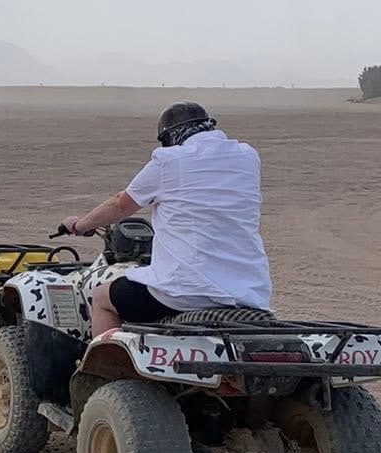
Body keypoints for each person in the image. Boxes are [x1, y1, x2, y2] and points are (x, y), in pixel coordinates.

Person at [59, 101, 272, 338]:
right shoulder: (247, 156)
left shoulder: (169, 160)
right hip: (248, 290)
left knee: (101, 297)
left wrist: (80, 225)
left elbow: (121, 204)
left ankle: (101, 371)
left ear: (171, 135)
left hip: (186, 291)